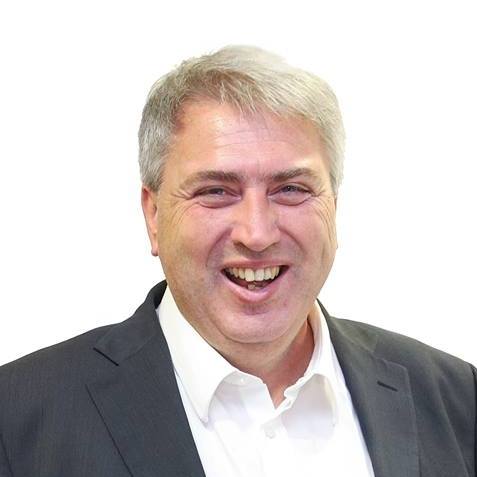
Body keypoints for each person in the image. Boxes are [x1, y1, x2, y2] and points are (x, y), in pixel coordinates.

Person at [0, 46, 475, 477]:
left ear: (334, 206)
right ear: (153, 215)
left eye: (291, 189)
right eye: (216, 191)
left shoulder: (457, 398)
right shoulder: (19, 418)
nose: (257, 233)